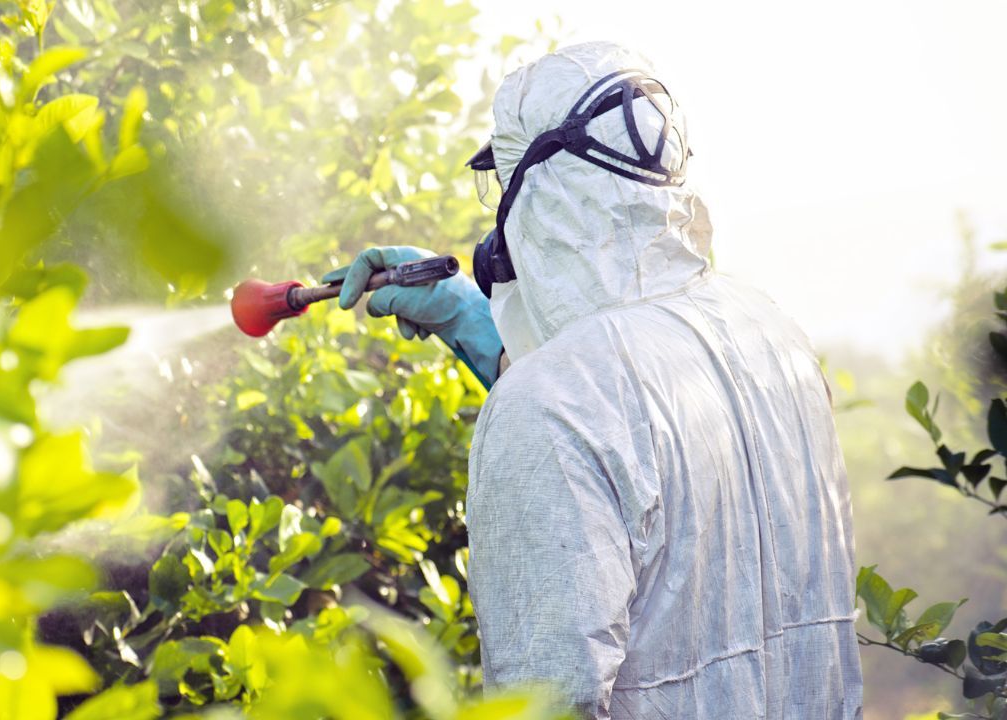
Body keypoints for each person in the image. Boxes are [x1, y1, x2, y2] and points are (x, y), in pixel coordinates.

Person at [326, 41, 863, 719]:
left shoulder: (548, 409)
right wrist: (470, 317)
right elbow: (634, 419)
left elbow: (547, 703)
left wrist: (519, 377)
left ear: (540, 190)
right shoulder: (769, 335)